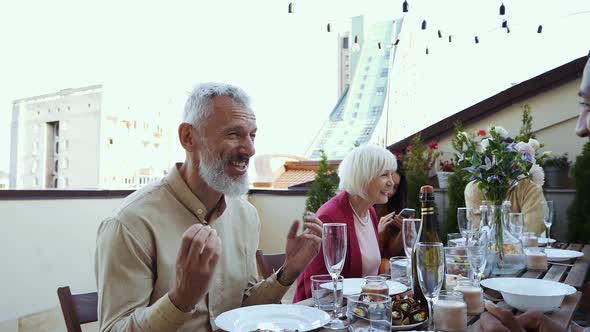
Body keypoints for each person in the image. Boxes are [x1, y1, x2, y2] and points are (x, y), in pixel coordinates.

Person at [94, 82, 323, 332]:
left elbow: (243, 309)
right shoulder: (130, 223)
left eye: (252, 135)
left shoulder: (246, 216)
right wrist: (181, 298)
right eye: (233, 134)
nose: (250, 149)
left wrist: (288, 271)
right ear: (188, 138)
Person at [478, 53, 590, 332]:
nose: (580, 127)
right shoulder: (476, 187)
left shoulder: (527, 186)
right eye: (582, 105)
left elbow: (532, 231)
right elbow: (476, 231)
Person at [293, 144, 398, 301]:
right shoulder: (329, 217)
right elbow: (319, 286)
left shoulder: (370, 211)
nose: (391, 182)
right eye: (384, 175)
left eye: (391, 174)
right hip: (326, 312)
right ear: (364, 177)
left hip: (362, 307)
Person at [464, 177, 547, 235]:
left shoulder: (530, 187)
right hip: (487, 254)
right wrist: (516, 222)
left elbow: (532, 229)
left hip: (523, 254)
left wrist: (493, 224)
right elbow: (477, 230)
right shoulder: (475, 188)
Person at [374, 159, 409, 272]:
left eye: (395, 187)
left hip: (390, 269)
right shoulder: (366, 208)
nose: (390, 191)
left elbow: (392, 252)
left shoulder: (392, 208)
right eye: (387, 184)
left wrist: (404, 231)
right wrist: (376, 233)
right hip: (374, 271)